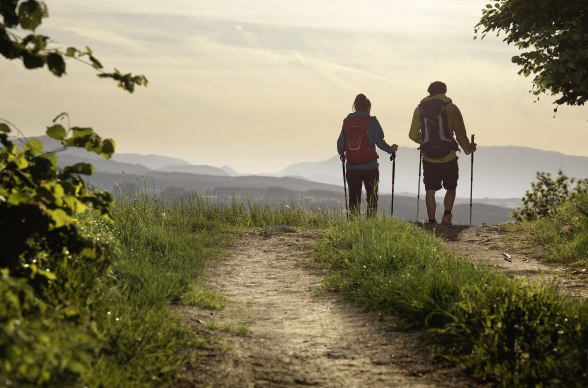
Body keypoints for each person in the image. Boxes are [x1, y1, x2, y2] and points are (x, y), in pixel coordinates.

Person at [408, 81, 476, 225]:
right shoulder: (451, 108)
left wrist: (426, 142)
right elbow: (460, 134)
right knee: (451, 187)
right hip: (448, 156)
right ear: (444, 92)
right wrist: (468, 149)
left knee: (430, 189)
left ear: (429, 91)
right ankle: (446, 216)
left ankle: (431, 221)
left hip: (428, 158)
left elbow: (412, 135)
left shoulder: (419, 109)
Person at [337, 93, 398, 218]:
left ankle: (353, 225)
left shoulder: (347, 122)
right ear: (368, 107)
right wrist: (390, 150)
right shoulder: (372, 121)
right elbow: (380, 142)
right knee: (372, 198)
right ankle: (371, 225)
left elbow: (340, 146)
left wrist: (343, 153)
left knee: (354, 198)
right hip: (370, 166)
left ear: (355, 106)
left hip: (352, 167)